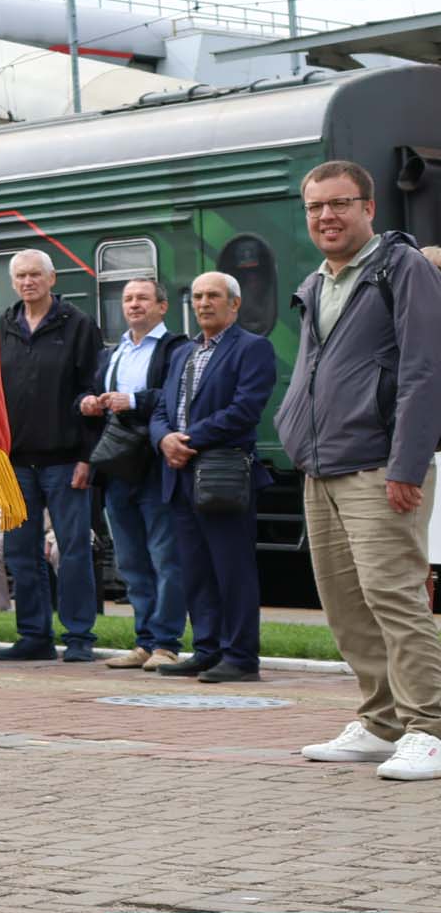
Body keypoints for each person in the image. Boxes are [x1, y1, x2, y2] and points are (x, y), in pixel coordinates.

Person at [278, 164, 441, 779]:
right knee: (346, 604)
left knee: (395, 597)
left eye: (339, 204)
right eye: (315, 207)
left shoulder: (403, 269)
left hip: (379, 465)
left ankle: (430, 725)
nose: (326, 217)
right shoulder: (319, 281)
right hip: (322, 466)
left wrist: (406, 462)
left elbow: (426, 370)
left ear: (369, 207)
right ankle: (381, 721)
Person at [146, 271, 275, 686]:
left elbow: (245, 410)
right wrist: (164, 438)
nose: (204, 303)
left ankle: (240, 657)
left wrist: (187, 439)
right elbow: (161, 408)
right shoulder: (183, 352)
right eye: (198, 296)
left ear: (234, 304)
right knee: (196, 570)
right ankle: (207, 650)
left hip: (223, 475)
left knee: (232, 569)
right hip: (180, 474)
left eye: (214, 296)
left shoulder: (253, 349)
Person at [0, 251, 103, 662]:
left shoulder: (77, 326)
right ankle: (34, 635)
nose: (28, 282)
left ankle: (78, 637)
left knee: (73, 550)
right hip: (17, 461)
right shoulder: (1, 327)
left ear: (52, 278)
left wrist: (87, 457)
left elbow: (92, 389)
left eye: (35, 274)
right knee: (20, 552)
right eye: (20, 276)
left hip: (65, 460)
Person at [82, 279, 190, 668]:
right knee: (130, 560)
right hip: (117, 465)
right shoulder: (113, 353)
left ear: (162, 306)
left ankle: (166, 644)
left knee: (165, 555)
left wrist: (134, 400)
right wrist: (90, 402)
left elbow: (179, 395)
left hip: (155, 464)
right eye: (127, 299)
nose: (133, 304)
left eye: (142, 298)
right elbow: (89, 390)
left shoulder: (176, 349)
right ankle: (144, 641)